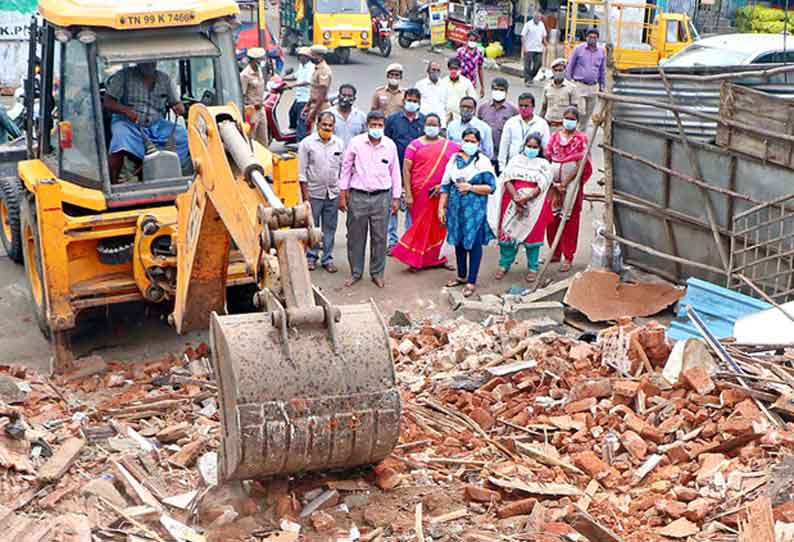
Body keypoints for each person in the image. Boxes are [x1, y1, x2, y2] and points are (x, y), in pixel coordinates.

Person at [338, 111, 401, 288]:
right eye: (373, 125)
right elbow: (346, 167)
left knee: (380, 237)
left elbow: (395, 172)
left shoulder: (390, 145)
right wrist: (342, 193)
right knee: (355, 237)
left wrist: (396, 198)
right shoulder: (356, 143)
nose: (376, 128)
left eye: (380, 125)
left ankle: (377, 273)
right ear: (367, 125)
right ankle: (356, 272)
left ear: (384, 127)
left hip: (382, 197)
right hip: (358, 196)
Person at [391, 114, 460, 270]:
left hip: (441, 193)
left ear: (440, 126)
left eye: (434, 124)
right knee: (419, 226)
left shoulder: (450, 146)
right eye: (429, 124)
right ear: (424, 126)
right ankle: (415, 261)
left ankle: (439, 259)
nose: (431, 127)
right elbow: (406, 170)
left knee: (439, 226)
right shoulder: (414, 145)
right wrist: (407, 193)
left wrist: (444, 186)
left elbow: (456, 168)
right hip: (419, 193)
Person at [104, 62, 188, 184]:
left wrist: (179, 107)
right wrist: (126, 110)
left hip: (157, 125)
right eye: (146, 60)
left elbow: (176, 103)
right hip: (129, 123)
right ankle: (113, 182)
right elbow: (107, 102)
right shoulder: (123, 76)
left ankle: (175, 173)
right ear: (139, 60)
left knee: (184, 136)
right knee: (120, 137)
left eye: (152, 60)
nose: (149, 63)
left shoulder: (165, 79)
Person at [439, 128, 496, 298]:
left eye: (473, 141)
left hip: (475, 210)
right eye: (467, 140)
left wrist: (470, 187)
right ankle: (461, 275)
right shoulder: (454, 160)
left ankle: (472, 280)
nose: (469, 144)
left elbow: (490, 187)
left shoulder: (483, 162)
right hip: (456, 209)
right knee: (459, 241)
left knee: (474, 244)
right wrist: (441, 206)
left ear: (478, 144)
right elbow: (445, 185)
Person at [488, 134, 552, 283]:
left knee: (532, 238)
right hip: (512, 200)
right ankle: (504, 264)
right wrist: (516, 198)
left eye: (535, 147)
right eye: (529, 146)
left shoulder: (543, 164)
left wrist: (527, 198)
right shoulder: (515, 160)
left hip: (534, 204)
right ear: (524, 146)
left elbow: (543, 184)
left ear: (540, 149)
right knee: (507, 235)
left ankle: (532, 268)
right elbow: (508, 179)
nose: (531, 149)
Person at [544, 106, 593, 272]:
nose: (569, 121)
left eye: (572, 119)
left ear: (577, 121)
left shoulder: (581, 139)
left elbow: (583, 163)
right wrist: (554, 183)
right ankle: (554, 251)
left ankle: (568, 255)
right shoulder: (555, 137)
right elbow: (547, 157)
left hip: (571, 184)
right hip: (554, 182)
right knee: (552, 217)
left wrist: (565, 182)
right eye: (567, 118)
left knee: (569, 219)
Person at [298, 111, 344, 273]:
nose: (327, 127)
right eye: (324, 124)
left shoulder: (338, 143)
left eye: (330, 125)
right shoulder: (306, 144)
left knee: (330, 228)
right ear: (318, 125)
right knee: (313, 227)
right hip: (313, 193)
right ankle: (311, 257)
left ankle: (327, 259)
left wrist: (342, 195)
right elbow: (302, 172)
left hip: (332, 193)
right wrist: (305, 196)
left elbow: (342, 170)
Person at [385, 88, 425, 252]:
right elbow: (386, 142)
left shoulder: (423, 121)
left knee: (412, 206)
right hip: (394, 169)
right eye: (409, 99)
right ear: (404, 101)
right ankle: (392, 242)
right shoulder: (393, 119)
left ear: (419, 103)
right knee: (393, 206)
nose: (412, 103)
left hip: (415, 171)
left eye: (415, 101)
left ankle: (409, 241)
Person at [498, 92, 550, 172]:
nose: (523, 108)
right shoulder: (511, 122)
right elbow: (504, 147)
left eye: (526, 106)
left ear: (533, 107)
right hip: (512, 166)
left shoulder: (541, 124)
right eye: (520, 106)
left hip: (534, 168)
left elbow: (546, 147)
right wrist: (502, 168)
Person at [565, 28, 606, 129]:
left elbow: (602, 70)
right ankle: (573, 132)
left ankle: (581, 138)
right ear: (586, 38)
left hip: (593, 87)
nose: (592, 39)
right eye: (590, 37)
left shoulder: (601, 51)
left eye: (594, 37)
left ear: (597, 39)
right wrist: (569, 82)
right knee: (580, 112)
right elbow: (570, 65)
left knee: (587, 115)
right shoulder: (579, 49)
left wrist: (602, 86)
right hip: (579, 85)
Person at [477, 77, 518, 173]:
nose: (498, 92)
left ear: (506, 92)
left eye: (501, 90)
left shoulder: (513, 110)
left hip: (503, 156)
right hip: (485, 155)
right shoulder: (483, 108)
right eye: (495, 89)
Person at [540, 58, 585, 132]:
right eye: (556, 70)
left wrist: (573, 127)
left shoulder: (571, 88)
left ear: (565, 71)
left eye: (560, 70)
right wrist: (540, 124)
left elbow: (575, 110)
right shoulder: (547, 88)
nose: (558, 72)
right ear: (552, 71)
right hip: (548, 125)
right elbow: (543, 108)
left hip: (563, 127)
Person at [300, 44, 333, 141]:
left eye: (312, 55)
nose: (310, 58)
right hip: (314, 105)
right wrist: (307, 106)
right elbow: (314, 90)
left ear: (319, 56)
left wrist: (313, 113)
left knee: (318, 137)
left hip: (321, 107)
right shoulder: (316, 68)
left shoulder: (323, 70)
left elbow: (322, 94)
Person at [239, 48, 269, 147]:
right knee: (251, 138)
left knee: (263, 138)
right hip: (251, 111)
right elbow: (241, 95)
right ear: (253, 60)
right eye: (260, 59)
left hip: (261, 109)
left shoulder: (259, 70)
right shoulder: (245, 75)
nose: (262, 61)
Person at [286, 47, 315, 131]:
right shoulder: (301, 66)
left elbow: (307, 81)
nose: (301, 58)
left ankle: (301, 138)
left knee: (301, 119)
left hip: (306, 98)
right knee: (292, 113)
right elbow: (295, 76)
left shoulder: (311, 67)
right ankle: (292, 134)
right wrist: (283, 78)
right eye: (300, 56)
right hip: (299, 97)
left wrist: (293, 85)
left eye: (304, 56)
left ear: (308, 57)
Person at [441, 57, 476, 124]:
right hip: (445, 117)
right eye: (451, 69)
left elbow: (473, 100)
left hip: (461, 117)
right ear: (448, 69)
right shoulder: (443, 82)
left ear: (460, 69)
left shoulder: (466, 83)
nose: (453, 71)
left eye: (456, 69)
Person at [415, 61, 447, 126]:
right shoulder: (420, 85)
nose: (436, 72)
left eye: (438, 70)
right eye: (433, 70)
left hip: (440, 123)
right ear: (428, 71)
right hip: (423, 122)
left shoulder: (445, 85)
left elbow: (447, 105)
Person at [521, 11, 548, 85]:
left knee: (538, 64)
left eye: (539, 18)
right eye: (537, 18)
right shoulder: (528, 24)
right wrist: (524, 47)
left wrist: (546, 44)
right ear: (534, 18)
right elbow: (523, 36)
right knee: (527, 65)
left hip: (538, 48)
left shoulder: (541, 25)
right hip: (529, 48)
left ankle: (531, 77)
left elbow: (543, 36)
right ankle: (528, 80)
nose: (538, 19)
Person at [455, 31, 485, 97]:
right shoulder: (460, 51)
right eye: (471, 40)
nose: (472, 42)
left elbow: (480, 69)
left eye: (474, 41)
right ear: (467, 40)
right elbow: (454, 67)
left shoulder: (479, 53)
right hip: (460, 81)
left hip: (472, 83)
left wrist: (482, 86)